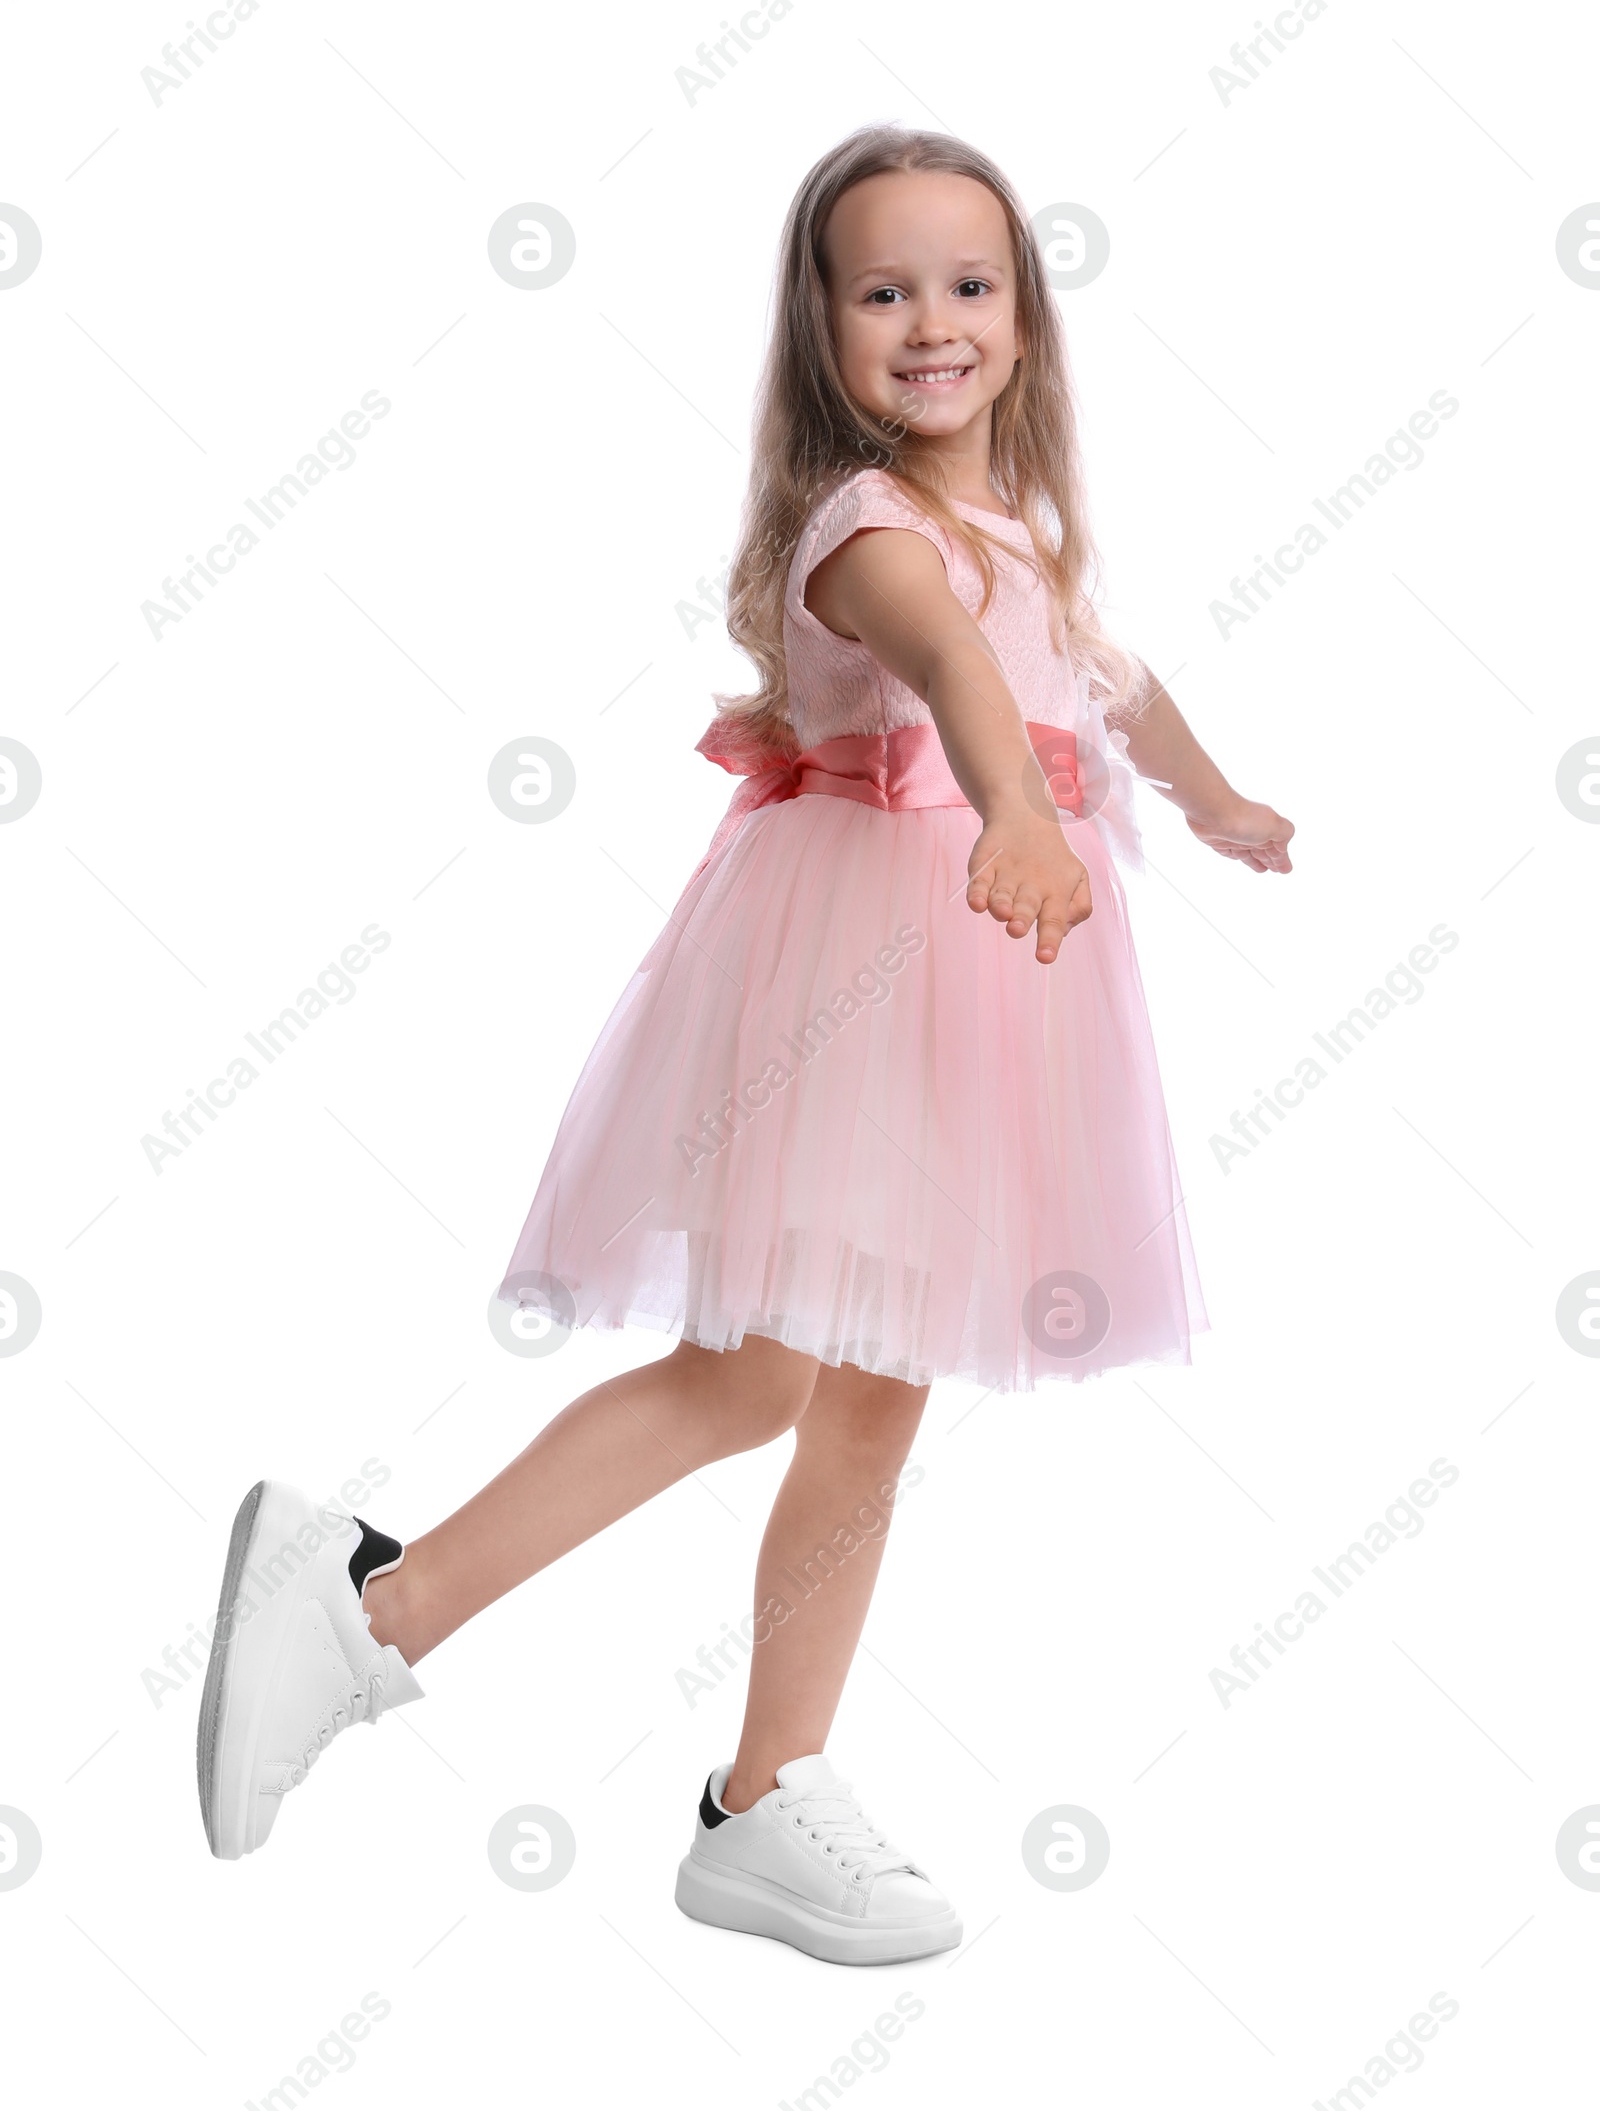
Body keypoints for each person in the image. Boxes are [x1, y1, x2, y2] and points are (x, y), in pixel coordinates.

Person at [196, 124, 1293, 1968]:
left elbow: (1107, 676)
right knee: (750, 1379)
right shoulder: (868, 534)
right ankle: (372, 1607)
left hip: (979, 1001)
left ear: (1023, 320)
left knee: (868, 1395)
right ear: (823, 330)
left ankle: (764, 1791)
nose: (932, 323)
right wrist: (1019, 813)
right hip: (867, 979)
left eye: (970, 285)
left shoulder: (1019, 530)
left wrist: (1214, 797)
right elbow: (953, 671)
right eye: (885, 291)